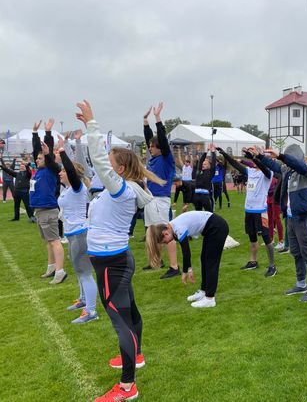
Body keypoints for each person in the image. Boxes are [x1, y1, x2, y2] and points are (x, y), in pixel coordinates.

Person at [76, 100, 164, 402]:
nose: (106, 167)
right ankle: (135, 356)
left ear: (121, 169)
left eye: (112, 164)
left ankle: (128, 386)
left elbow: (99, 160)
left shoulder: (120, 189)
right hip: (115, 260)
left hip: (112, 264)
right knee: (129, 312)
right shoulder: (117, 190)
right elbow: (97, 163)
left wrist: (92, 124)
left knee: (120, 320)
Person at [260, 143, 307, 302]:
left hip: (303, 219)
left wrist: (281, 156)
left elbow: (298, 165)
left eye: (288, 158)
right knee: (296, 252)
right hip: (291, 219)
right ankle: (301, 284)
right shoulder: (288, 171)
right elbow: (273, 165)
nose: (285, 163)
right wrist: (257, 156)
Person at [146, 211, 229, 308]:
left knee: (211, 262)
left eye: (164, 241)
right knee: (204, 259)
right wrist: (187, 270)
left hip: (217, 227)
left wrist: (187, 271)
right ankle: (204, 291)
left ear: (166, 233)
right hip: (212, 228)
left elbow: (186, 252)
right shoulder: (172, 227)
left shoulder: (178, 228)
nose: (166, 243)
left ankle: (210, 298)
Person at [56, 137, 98, 324]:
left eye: (63, 171)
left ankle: (91, 311)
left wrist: (63, 152)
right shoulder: (67, 189)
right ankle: (83, 300)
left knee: (85, 273)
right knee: (80, 271)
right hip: (73, 235)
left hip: (80, 234)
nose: (60, 173)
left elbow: (70, 170)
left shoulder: (76, 187)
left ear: (71, 174)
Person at [218, 146, 276, 277]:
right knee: (252, 237)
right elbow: (235, 164)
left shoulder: (268, 173)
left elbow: (263, 168)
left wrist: (254, 157)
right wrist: (224, 154)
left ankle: (272, 266)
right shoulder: (250, 171)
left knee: (266, 238)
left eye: (255, 158)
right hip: (249, 210)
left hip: (260, 211)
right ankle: (253, 261)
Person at [142, 103, 179, 279]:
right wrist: (145, 122)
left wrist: (157, 119)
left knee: (165, 233)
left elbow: (162, 140)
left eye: (153, 146)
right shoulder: (153, 159)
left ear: (160, 148)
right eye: (149, 146)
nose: (150, 148)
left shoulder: (166, 159)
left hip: (160, 200)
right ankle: (156, 261)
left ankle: (174, 267)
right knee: (151, 232)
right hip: (150, 200)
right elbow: (149, 138)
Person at [31, 119, 66, 284]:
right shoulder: (39, 170)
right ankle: (52, 267)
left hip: (48, 210)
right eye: (37, 158)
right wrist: (34, 133)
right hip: (40, 211)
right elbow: (37, 151)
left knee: (55, 241)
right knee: (49, 242)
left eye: (40, 158)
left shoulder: (51, 170)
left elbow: (48, 152)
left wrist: (48, 133)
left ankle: (60, 271)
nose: (37, 160)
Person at [0, 157, 34, 222]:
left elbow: (29, 171)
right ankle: (16, 217)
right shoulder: (17, 174)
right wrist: (2, 166)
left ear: (25, 168)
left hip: (24, 191)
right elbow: (8, 171)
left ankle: (31, 217)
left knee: (27, 205)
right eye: (20, 167)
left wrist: (26, 165)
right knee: (16, 205)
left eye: (23, 167)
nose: (21, 167)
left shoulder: (28, 174)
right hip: (17, 192)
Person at [192, 147, 216, 211]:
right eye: (203, 164)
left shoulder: (210, 172)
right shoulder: (199, 171)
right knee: (198, 213)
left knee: (209, 213)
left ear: (209, 166)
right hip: (196, 196)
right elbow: (200, 161)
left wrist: (213, 152)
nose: (203, 165)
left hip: (204, 196)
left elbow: (213, 163)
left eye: (205, 164)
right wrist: (206, 152)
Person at [266, 175, 284, 250]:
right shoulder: (267, 177)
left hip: (275, 199)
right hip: (268, 198)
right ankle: (271, 239)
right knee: (269, 219)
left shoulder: (275, 179)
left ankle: (281, 241)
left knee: (277, 219)